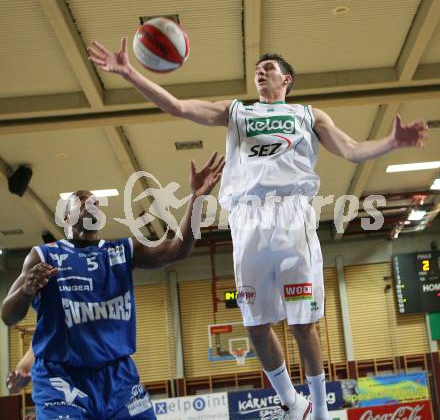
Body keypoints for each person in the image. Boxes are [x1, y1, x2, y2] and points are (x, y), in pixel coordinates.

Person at [87, 38, 428, 420]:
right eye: (258, 68)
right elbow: (179, 107)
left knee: (303, 324)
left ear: (287, 79)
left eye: (269, 67)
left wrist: (391, 142)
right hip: (248, 221)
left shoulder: (308, 115)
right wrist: (130, 73)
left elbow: (351, 150)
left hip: (291, 217)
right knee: (255, 326)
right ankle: (292, 402)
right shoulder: (236, 113)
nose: (261, 71)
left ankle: (321, 409)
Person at [1, 153, 225, 420]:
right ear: (66, 216)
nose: (90, 204)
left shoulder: (123, 250)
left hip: (118, 378)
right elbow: (8, 315)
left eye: (95, 202)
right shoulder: (43, 256)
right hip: (61, 380)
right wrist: (27, 289)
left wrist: (197, 198)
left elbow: (178, 249)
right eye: (81, 201)